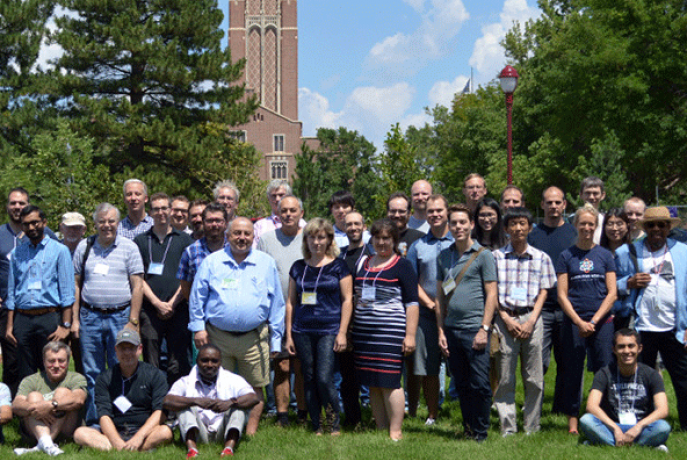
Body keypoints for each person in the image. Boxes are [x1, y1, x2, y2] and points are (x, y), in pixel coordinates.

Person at [189, 217, 285, 436]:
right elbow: (197, 297)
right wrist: (198, 328)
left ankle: (249, 433)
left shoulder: (265, 263)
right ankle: (220, 430)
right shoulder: (212, 262)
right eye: (237, 233)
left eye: (247, 234)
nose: (242, 238)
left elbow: (277, 303)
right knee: (216, 385)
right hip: (217, 336)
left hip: (254, 337)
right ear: (228, 236)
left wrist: (276, 338)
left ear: (253, 237)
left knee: (255, 387)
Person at [72, 202, 144, 425]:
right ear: (95, 224)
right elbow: (75, 285)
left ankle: (120, 420)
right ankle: (96, 420)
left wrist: (133, 320)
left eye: (111, 221)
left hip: (120, 317)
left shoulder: (129, 247)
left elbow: (138, 286)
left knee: (121, 369)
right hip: (89, 317)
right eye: (102, 221)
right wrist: (74, 320)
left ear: (117, 223)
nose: (107, 225)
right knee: (92, 371)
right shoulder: (84, 247)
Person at [615, 206, 687, 430]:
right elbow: (611, 285)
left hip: (674, 327)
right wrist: (628, 282)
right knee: (640, 380)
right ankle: (641, 422)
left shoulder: (683, 252)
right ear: (644, 228)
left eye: (662, 225)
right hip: (642, 327)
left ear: (668, 228)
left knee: (683, 378)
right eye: (651, 225)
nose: (656, 229)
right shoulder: (627, 252)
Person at [351, 218, 418, 441]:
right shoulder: (364, 263)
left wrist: (409, 336)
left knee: (390, 381)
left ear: (394, 240)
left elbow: (412, 303)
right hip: (364, 333)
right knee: (372, 381)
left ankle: (395, 430)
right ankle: (380, 427)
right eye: (377, 238)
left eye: (386, 238)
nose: (381, 242)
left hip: (390, 333)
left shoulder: (402, 265)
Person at [284, 218, 353, 435]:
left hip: (329, 328)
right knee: (309, 376)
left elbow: (347, 300)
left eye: (321, 237)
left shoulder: (339, 266)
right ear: (306, 240)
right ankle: (316, 425)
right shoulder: (298, 267)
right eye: (312, 237)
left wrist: (342, 333)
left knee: (324, 377)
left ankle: (333, 423)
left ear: (329, 239)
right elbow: (290, 302)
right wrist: (288, 335)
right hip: (302, 329)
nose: (316, 241)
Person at [436, 204, 497, 442]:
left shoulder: (483, 255)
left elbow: (491, 294)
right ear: (448, 226)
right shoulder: (444, 256)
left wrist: (484, 329)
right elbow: (440, 297)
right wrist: (441, 330)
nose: (458, 227)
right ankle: (468, 427)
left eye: (463, 222)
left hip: (474, 329)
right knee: (461, 383)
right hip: (452, 329)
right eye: (454, 223)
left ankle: (481, 431)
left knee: (480, 384)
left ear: (471, 224)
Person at [492, 207, 555, 436]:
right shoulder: (496, 257)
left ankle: (532, 427)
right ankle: (507, 427)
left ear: (529, 227)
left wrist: (531, 321)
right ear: (506, 228)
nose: (518, 228)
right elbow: (492, 293)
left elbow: (544, 292)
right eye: (513, 224)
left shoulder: (541, 258)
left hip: (532, 318)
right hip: (505, 317)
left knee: (534, 377)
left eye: (522, 224)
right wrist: (506, 319)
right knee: (506, 377)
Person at [556, 204, 617, 434]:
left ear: (596, 226)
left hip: (602, 323)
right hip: (574, 322)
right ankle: (573, 421)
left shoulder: (605, 255)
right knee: (572, 370)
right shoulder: (566, 256)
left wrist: (594, 320)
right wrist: (580, 322)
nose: (587, 228)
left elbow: (612, 293)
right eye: (583, 223)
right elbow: (562, 294)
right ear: (576, 225)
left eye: (591, 224)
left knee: (604, 369)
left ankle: (602, 416)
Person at [5, 205, 75, 382]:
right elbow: (12, 292)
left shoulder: (60, 250)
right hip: (23, 320)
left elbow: (67, 291)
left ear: (44, 222)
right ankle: (30, 408)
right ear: (22, 226)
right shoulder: (16, 253)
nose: (31, 227)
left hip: (49, 318)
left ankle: (55, 408)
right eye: (26, 224)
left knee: (53, 369)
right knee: (25, 373)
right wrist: (10, 326)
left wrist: (65, 325)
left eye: (35, 222)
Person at [73, 329, 172, 451]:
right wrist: (116, 441)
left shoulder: (155, 374)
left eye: (131, 348)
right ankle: (130, 449)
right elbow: (104, 415)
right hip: (115, 431)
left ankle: (126, 448)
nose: (127, 352)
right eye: (122, 348)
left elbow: (160, 412)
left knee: (165, 432)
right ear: (115, 350)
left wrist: (139, 437)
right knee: (80, 433)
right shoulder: (105, 378)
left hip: (146, 431)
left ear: (140, 349)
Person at [256, 195, 307, 426]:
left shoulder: (310, 238)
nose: (288, 214)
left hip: (306, 312)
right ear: (277, 213)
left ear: (301, 214)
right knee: (282, 365)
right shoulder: (266, 240)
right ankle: (283, 415)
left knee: (302, 366)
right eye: (283, 210)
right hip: (275, 313)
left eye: (292, 210)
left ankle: (304, 413)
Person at [0, 188, 57, 396]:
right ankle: (14, 405)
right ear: (7, 206)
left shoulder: (45, 234)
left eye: (21, 203)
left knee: (44, 358)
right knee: (12, 359)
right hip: (7, 306)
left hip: (40, 307)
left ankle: (47, 401)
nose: (17, 207)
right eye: (13, 203)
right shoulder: (0, 234)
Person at [134, 192, 193, 385]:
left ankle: (177, 404)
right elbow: (138, 278)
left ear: (171, 211)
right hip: (150, 310)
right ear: (150, 212)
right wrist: (157, 303)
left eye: (164, 208)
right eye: (156, 209)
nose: (161, 212)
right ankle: (155, 402)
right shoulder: (141, 241)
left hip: (179, 308)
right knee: (152, 359)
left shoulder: (184, 240)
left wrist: (173, 303)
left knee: (178, 359)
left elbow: (187, 276)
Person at [527, 186, 577, 414]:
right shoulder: (533, 236)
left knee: (568, 363)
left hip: (568, 308)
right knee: (540, 363)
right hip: (542, 309)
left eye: (558, 202)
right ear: (543, 205)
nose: (554, 206)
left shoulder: (574, 234)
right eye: (549, 202)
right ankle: (534, 407)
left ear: (565, 204)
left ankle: (561, 409)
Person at [163, 344, 260, 458]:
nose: (210, 365)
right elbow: (167, 401)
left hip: (223, 432)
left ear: (220, 363)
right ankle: (192, 449)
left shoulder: (233, 379)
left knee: (238, 408)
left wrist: (230, 402)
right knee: (184, 406)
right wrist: (195, 401)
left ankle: (228, 449)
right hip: (198, 432)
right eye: (205, 360)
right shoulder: (185, 381)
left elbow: (253, 398)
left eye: (214, 361)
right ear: (197, 361)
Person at [579, 329, 670, 450]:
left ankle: (603, 441)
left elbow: (663, 410)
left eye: (631, 346)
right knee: (586, 420)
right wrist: (615, 429)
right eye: (621, 347)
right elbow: (591, 406)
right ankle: (644, 445)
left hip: (641, 427)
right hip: (612, 426)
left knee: (663, 427)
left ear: (639, 348)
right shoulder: (604, 373)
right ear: (614, 350)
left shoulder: (651, 374)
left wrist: (638, 428)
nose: (627, 351)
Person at [406, 195, 454, 424]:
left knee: (460, 364)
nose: (435, 215)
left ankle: (465, 410)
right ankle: (432, 414)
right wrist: (431, 304)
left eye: (439, 210)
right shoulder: (418, 246)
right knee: (428, 367)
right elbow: (411, 281)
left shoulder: (459, 242)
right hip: (426, 314)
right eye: (431, 211)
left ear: (447, 213)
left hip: (455, 313)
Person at [12, 341, 87, 456]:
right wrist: (35, 408)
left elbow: (79, 400)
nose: (56, 365)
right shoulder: (31, 380)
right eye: (51, 361)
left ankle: (43, 444)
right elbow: (16, 405)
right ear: (43, 362)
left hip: (65, 430)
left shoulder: (76, 378)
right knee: (33, 396)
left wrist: (50, 405)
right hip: (34, 430)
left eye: (61, 361)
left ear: (68, 361)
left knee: (63, 392)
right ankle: (47, 444)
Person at [337, 210, 373, 427]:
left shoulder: (371, 255)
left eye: (357, 224)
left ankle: (376, 415)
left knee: (369, 372)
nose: (353, 228)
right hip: (344, 322)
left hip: (367, 320)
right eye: (349, 224)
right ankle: (353, 418)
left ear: (364, 226)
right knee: (347, 375)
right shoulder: (338, 255)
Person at [178, 202, 228, 302]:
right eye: (209, 221)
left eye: (218, 220)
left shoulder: (235, 250)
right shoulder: (191, 251)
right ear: (203, 223)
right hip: (202, 314)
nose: (214, 224)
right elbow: (185, 287)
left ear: (226, 223)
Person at [600, 208, 632, 330]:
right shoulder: (597, 253)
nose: (614, 228)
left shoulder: (634, 252)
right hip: (604, 312)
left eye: (619, 224)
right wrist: (626, 283)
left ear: (627, 226)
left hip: (629, 313)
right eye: (610, 224)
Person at [253, 180, 305, 248]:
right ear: (268, 199)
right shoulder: (260, 226)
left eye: (281, 195)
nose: (277, 199)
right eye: (273, 196)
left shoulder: (302, 224)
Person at [387, 192, 424, 257]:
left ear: (409, 214)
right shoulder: (377, 239)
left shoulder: (420, 239)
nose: (397, 215)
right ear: (387, 213)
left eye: (401, 211)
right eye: (393, 211)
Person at [578, 176, 606, 244]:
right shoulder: (571, 220)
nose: (591, 197)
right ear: (581, 194)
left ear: (602, 195)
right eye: (587, 193)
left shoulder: (605, 222)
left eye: (595, 193)